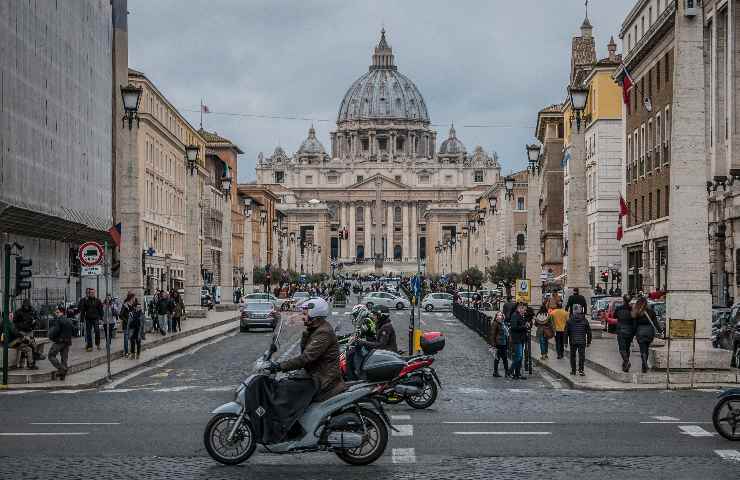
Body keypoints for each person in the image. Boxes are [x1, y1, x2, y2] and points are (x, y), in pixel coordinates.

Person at [269, 298, 346, 402]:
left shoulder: (323, 333)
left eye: (305, 314)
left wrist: (279, 366)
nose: (302, 318)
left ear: (314, 316)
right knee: (285, 384)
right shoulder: (314, 329)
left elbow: (305, 358)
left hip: (324, 380)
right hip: (314, 374)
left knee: (286, 392)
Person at [633, 297, 662, 373]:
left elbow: (634, 325)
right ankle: (644, 365)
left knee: (642, 349)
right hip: (649, 332)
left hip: (640, 332)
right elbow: (656, 323)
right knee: (647, 348)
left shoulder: (637, 312)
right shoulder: (651, 311)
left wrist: (633, 333)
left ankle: (644, 363)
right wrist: (660, 331)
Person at [11, 298, 39, 369]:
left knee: (32, 346)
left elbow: (36, 318)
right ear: (23, 305)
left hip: (29, 331)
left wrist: (34, 322)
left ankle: (31, 363)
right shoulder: (19, 312)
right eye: (25, 305)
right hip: (22, 331)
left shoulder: (32, 311)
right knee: (25, 346)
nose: (26, 307)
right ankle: (22, 364)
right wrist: (22, 325)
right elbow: (15, 322)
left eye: (27, 305)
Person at [48, 306, 74, 380]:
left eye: (57, 312)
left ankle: (62, 369)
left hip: (60, 341)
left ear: (61, 312)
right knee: (64, 359)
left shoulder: (59, 320)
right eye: (56, 312)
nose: (56, 314)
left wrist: (51, 337)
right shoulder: (69, 320)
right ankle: (63, 376)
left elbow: (56, 331)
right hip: (67, 342)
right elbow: (74, 330)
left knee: (51, 355)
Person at [566, 304, 592, 376]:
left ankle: (573, 370)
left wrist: (565, 342)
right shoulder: (585, 320)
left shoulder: (569, 320)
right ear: (580, 311)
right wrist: (589, 341)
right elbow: (589, 332)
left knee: (573, 356)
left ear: (573, 311)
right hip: (582, 341)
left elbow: (566, 332)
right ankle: (581, 370)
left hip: (573, 341)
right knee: (581, 356)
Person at [615, 295, 635, 372]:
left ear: (623, 300)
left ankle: (626, 361)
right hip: (630, 330)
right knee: (627, 348)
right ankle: (625, 365)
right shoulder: (632, 309)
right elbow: (634, 319)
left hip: (621, 330)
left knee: (622, 349)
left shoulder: (619, 308)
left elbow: (615, 316)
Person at [509, 302, 529, 380]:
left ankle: (517, 374)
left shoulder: (521, 315)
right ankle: (510, 371)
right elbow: (514, 327)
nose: (525, 311)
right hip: (517, 339)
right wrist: (524, 326)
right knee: (519, 356)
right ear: (520, 308)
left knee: (520, 357)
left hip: (521, 338)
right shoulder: (515, 315)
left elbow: (522, 325)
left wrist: (527, 325)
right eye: (524, 310)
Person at [489, 311, 510, 377]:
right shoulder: (495, 323)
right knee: (498, 358)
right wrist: (493, 344)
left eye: (501, 315)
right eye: (498, 315)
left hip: (504, 342)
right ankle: (496, 372)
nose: (499, 316)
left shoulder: (503, 323)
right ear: (496, 317)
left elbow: (507, 333)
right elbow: (492, 334)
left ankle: (506, 372)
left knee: (504, 358)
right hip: (498, 343)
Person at [119, 293, 135, 358]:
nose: (134, 299)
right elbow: (120, 315)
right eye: (133, 298)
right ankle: (126, 352)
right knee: (126, 339)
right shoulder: (125, 305)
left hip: (132, 325)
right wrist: (126, 320)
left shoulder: (133, 305)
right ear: (131, 298)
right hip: (126, 325)